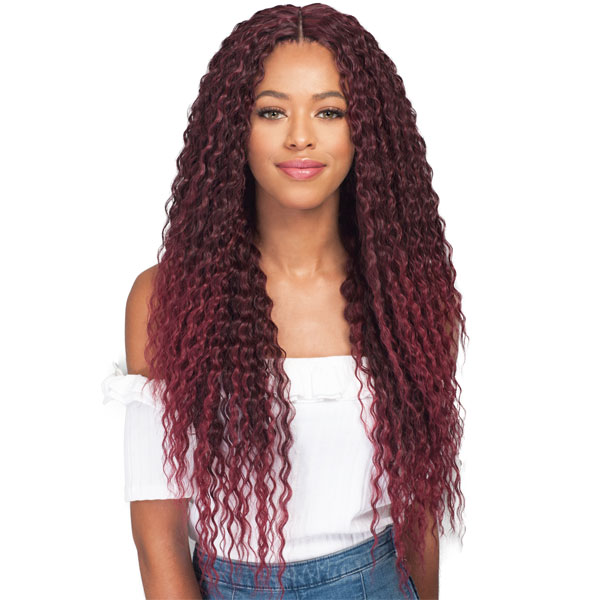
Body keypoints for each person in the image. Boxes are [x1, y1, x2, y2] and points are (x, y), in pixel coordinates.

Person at [101, 3, 467, 599]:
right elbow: (157, 538)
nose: (301, 136)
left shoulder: (413, 299)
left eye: (330, 111)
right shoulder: (168, 298)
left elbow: (418, 519)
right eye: (272, 111)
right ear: (233, 129)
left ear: (367, 130)